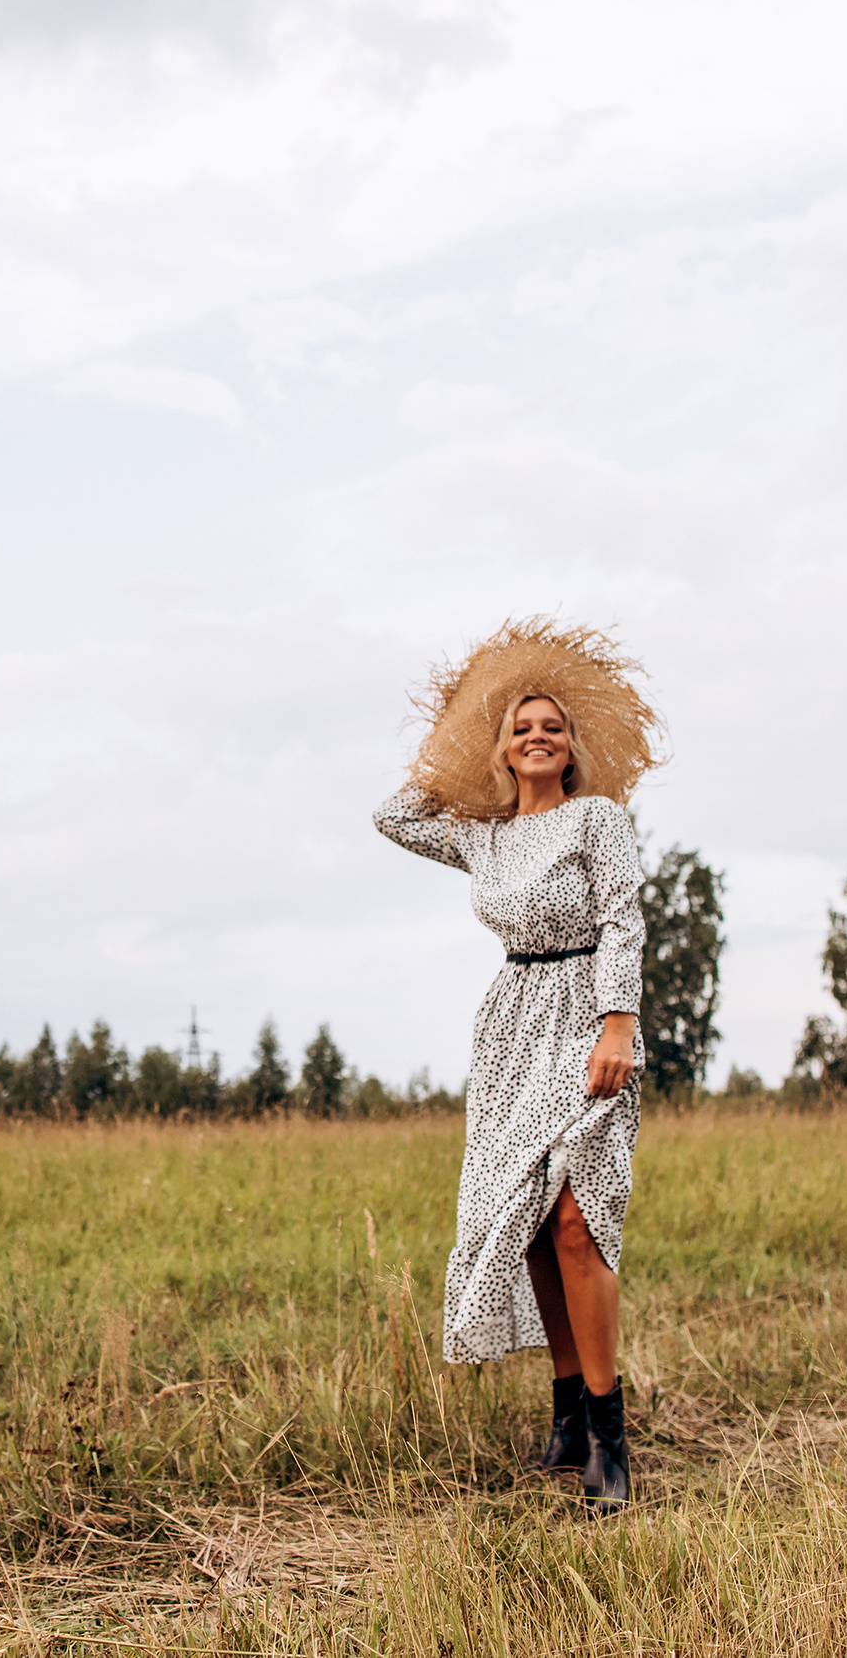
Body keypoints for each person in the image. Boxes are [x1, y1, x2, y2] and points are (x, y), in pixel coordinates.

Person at [372, 618, 660, 1514]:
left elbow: (622, 918)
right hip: (510, 1026)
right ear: (502, 750)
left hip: (586, 1020)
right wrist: (459, 733)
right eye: (521, 727)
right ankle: (566, 1413)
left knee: (579, 1219)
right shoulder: (483, 835)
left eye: (553, 727)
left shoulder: (598, 820)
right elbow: (392, 816)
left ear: (572, 749)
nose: (539, 735)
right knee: (530, 1219)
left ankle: (610, 1434)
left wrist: (618, 1023)